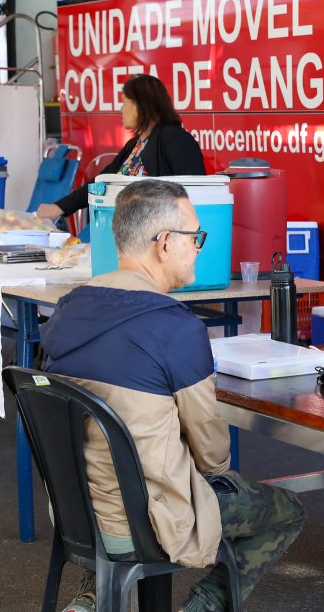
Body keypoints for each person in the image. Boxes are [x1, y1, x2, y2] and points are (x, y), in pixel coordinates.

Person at [40, 179, 304, 612]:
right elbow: (213, 458)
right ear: (164, 243)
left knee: (112, 468)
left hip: (74, 511)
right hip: (148, 521)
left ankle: (92, 599)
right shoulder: (175, 327)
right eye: (195, 236)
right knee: (287, 509)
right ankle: (201, 607)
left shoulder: (68, 309)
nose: (198, 247)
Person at [35, 74, 205, 220]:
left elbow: (196, 194)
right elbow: (101, 182)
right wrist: (60, 207)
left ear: (140, 105)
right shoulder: (135, 145)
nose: (121, 109)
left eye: (124, 102)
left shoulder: (175, 138)